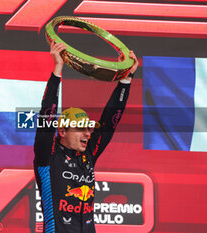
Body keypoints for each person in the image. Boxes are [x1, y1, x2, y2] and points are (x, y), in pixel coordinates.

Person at [33, 40, 138, 233]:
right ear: (62, 131)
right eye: (80, 129)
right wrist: (57, 70)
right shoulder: (48, 156)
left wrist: (126, 78)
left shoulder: (88, 154)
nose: (88, 134)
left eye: (88, 129)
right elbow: (46, 119)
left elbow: (110, 121)